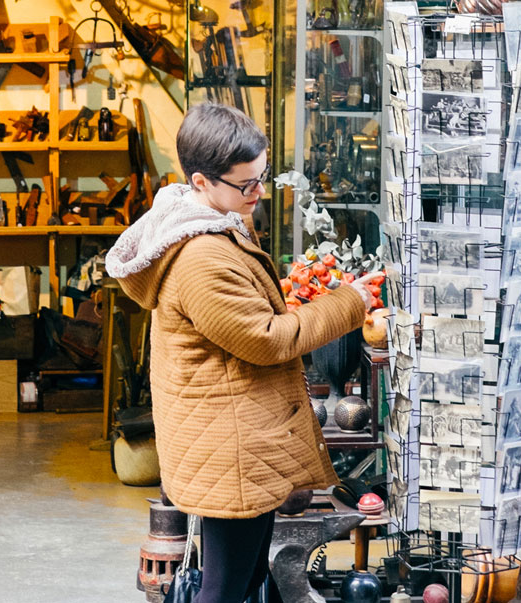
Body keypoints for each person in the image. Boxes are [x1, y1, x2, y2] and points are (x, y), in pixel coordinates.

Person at [106, 103, 381, 603]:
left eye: (262, 178)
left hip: (230, 435)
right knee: (225, 588)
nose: (258, 192)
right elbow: (266, 339)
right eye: (246, 184)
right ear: (201, 181)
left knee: (246, 577)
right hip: (228, 447)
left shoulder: (212, 218)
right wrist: (351, 302)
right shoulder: (201, 255)